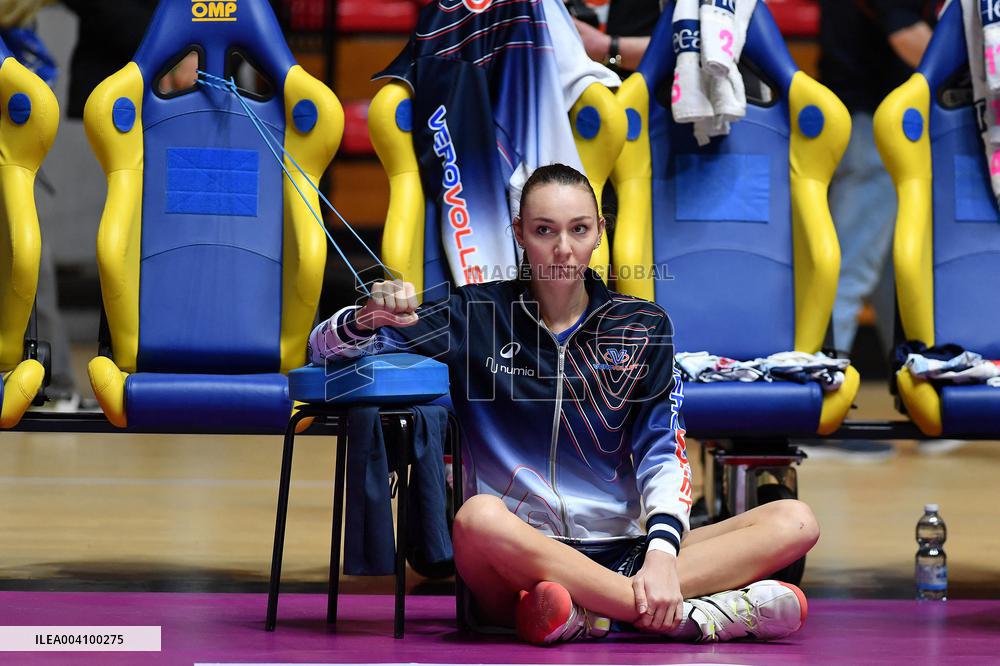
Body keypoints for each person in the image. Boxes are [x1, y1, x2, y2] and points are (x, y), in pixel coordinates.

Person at [310, 164, 818, 645]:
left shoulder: (642, 327)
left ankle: (590, 615)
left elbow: (665, 453)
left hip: (626, 550)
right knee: (476, 518)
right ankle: (686, 616)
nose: (563, 249)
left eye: (578, 230)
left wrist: (661, 554)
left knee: (795, 520)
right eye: (545, 231)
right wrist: (365, 317)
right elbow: (322, 352)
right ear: (519, 232)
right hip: (513, 562)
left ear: (600, 230)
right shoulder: (475, 313)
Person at [808, 1, 960, 460]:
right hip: (871, 126)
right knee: (847, 269)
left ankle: (921, 401)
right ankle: (817, 412)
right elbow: (908, 39)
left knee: (899, 275)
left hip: (881, 125)